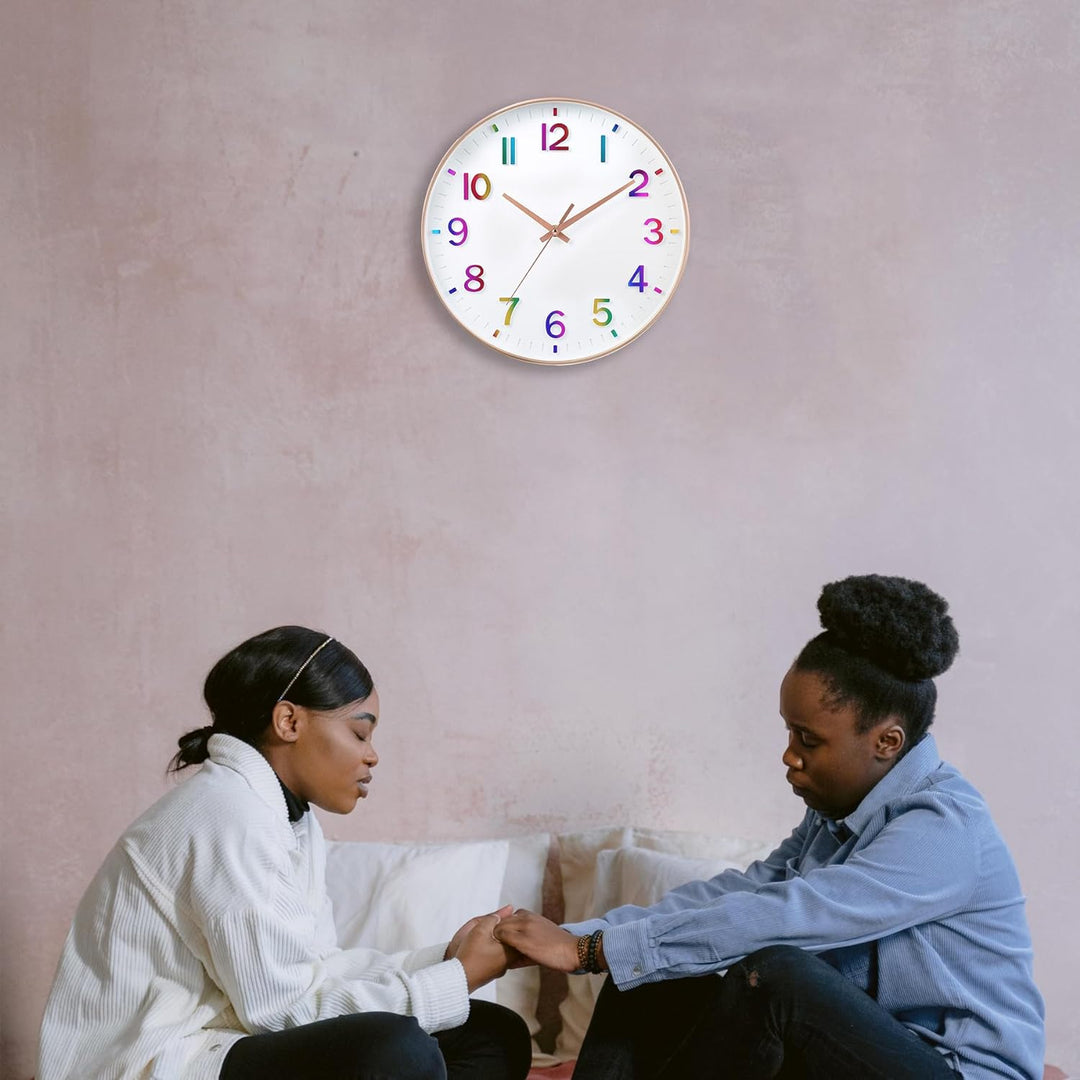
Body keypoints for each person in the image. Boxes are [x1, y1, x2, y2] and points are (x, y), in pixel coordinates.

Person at [495, 574, 1045, 1080]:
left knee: (777, 974)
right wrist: (585, 938)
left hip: (954, 1071)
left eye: (809, 740)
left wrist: (589, 952)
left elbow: (796, 914)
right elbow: (752, 888)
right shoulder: (838, 813)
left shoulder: (944, 828)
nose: (789, 757)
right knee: (647, 976)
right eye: (789, 734)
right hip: (858, 1057)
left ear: (887, 742)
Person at [38, 626, 532, 1080]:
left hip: (222, 1045)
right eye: (360, 732)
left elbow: (315, 970)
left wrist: (442, 961)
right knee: (395, 1050)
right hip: (158, 1062)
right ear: (289, 721)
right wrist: (457, 977)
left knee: (493, 1034)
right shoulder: (227, 814)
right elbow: (281, 1012)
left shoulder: (286, 817)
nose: (372, 755)